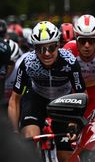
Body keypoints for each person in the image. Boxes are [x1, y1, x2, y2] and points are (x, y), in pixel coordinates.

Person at [8, 21, 86, 162]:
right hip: (37, 98)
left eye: (51, 47)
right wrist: (14, 131)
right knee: (29, 141)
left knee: (66, 155)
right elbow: (14, 99)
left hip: (63, 101)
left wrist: (74, 122)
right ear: (34, 49)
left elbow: (82, 95)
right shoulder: (28, 63)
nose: (47, 53)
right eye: (40, 49)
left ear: (58, 45)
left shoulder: (70, 62)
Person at [63, 14, 95, 118]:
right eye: (82, 41)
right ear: (76, 40)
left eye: (91, 41)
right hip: (72, 93)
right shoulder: (67, 51)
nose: (87, 45)